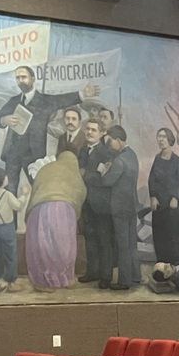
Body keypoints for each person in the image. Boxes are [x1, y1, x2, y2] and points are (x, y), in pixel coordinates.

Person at [0, 65, 99, 191]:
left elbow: (62, 100)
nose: (21, 80)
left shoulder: (45, 101)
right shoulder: (13, 101)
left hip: (34, 154)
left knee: (39, 188)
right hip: (13, 153)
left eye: (24, 77)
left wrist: (82, 94)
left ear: (33, 78)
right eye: (18, 78)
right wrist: (4, 120)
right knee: (10, 189)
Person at [25, 151, 85, 292]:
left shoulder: (46, 168)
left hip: (38, 209)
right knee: (64, 246)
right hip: (63, 209)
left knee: (42, 246)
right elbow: (81, 193)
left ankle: (42, 282)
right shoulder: (73, 172)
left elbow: (35, 189)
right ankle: (65, 279)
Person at [98, 125, 140, 290]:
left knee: (123, 246)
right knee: (132, 244)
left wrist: (104, 171)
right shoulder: (132, 154)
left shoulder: (120, 160)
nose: (110, 145)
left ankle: (124, 281)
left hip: (120, 207)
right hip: (132, 205)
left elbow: (108, 181)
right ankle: (135, 276)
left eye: (111, 141)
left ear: (118, 140)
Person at [147, 128, 179, 266]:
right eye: (159, 136)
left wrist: (175, 197)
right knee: (161, 237)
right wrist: (153, 196)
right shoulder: (157, 159)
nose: (161, 140)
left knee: (176, 236)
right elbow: (152, 180)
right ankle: (163, 266)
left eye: (164, 137)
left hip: (173, 206)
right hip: (159, 206)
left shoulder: (176, 160)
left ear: (170, 140)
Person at [78, 118, 114, 286]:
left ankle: (106, 276)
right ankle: (92, 272)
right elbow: (79, 172)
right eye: (88, 129)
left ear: (101, 133)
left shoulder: (106, 152)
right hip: (86, 202)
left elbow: (105, 178)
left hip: (101, 204)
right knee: (90, 238)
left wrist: (85, 174)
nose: (90, 132)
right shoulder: (83, 150)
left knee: (104, 240)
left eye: (93, 130)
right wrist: (88, 173)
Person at [0, 168, 27, 292]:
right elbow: (18, 206)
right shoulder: (7, 195)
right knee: (10, 255)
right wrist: (24, 195)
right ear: (3, 181)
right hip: (6, 227)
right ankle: (11, 283)